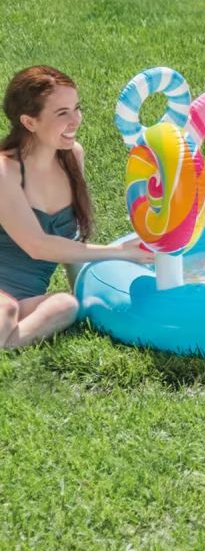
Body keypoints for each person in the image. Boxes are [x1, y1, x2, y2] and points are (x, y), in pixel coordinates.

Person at [0, 66, 153, 350]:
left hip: (26, 300)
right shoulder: (5, 171)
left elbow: (69, 243)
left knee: (67, 305)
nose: (76, 120)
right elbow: (38, 246)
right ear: (29, 122)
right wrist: (120, 251)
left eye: (76, 108)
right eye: (62, 113)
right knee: (6, 312)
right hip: (4, 299)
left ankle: (8, 344)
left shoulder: (71, 157)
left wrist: (81, 289)